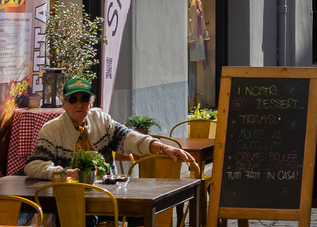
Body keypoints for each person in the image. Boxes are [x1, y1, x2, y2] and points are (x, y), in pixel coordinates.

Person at [25, 76, 198, 178]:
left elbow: (130, 138)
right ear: (63, 104)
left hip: (107, 191)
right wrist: (64, 174)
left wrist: (161, 147)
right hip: (68, 195)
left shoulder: (101, 121)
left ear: (91, 103)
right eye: (73, 99)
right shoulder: (51, 130)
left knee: (140, 212)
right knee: (86, 218)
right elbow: (33, 166)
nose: (79, 104)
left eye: (84, 99)